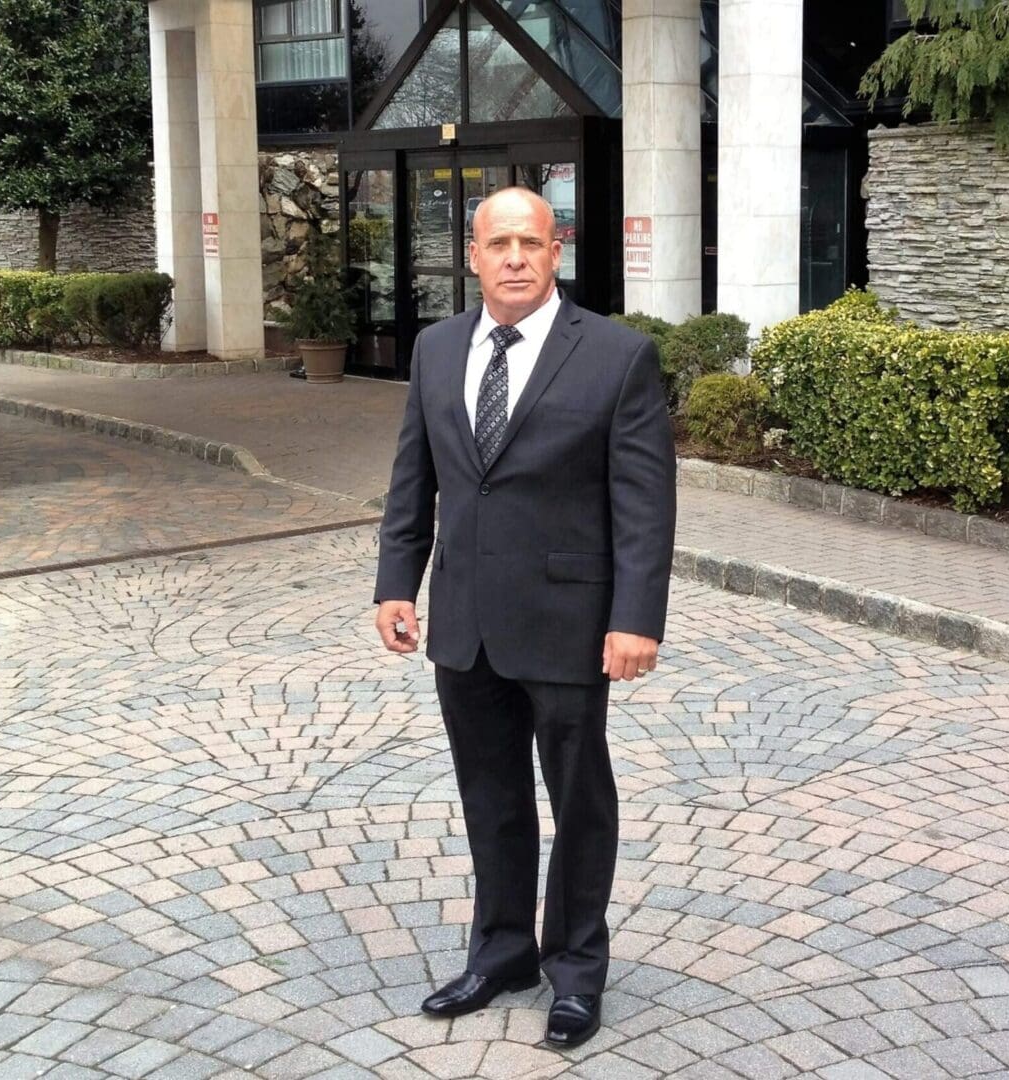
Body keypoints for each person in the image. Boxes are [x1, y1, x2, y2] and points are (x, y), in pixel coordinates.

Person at [373, 186, 676, 1049]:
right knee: (490, 798)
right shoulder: (434, 350)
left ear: (557, 251)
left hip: (570, 625)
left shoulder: (616, 357)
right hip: (463, 624)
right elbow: (414, 479)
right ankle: (501, 951)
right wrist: (398, 582)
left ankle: (576, 970)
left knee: (580, 801)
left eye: (531, 243)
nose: (514, 257)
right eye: (497, 242)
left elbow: (645, 506)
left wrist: (636, 619)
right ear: (472, 254)